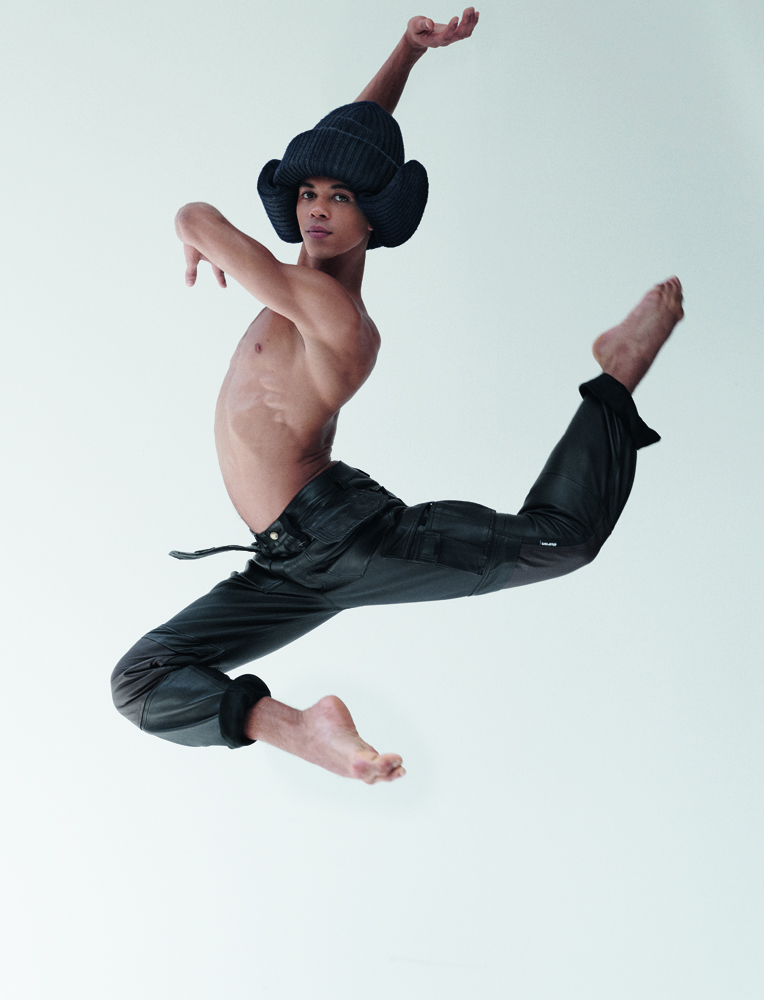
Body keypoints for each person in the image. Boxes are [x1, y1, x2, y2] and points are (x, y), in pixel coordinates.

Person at [111, 9, 683, 784]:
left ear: (372, 217)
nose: (315, 206)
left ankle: (616, 371)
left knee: (562, 540)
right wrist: (406, 56)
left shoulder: (333, 319)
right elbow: (353, 140)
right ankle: (299, 729)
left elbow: (201, 220)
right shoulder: (304, 284)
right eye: (307, 192)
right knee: (142, 678)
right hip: (286, 563)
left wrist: (188, 218)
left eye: (338, 198)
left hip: (343, 542)